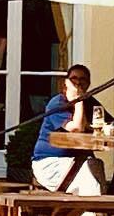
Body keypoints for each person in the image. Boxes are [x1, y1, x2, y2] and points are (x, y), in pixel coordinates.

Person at [28, 63, 99, 191]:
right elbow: (77, 129)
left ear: (88, 84)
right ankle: (92, 208)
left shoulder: (90, 102)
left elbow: (108, 122)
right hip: (50, 163)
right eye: (74, 79)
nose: (78, 83)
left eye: (83, 79)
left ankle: (94, 208)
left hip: (76, 161)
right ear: (65, 83)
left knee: (95, 166)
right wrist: (78, 100)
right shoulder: (58, 103)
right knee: (89, 171)